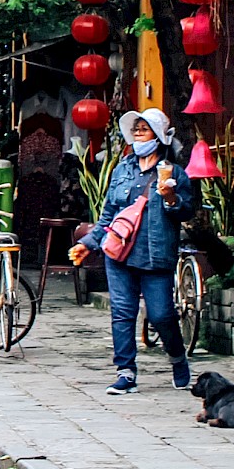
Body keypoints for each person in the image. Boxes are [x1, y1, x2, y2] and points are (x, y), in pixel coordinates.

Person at [74, 109, 196, 395]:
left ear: (159, 135)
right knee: (122, 313)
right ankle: (125, 372)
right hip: (119, 254)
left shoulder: (173, 173)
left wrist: (171, 198)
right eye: (137, 129)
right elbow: (108, 215)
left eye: (145, 129)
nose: (139, 133)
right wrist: (88, 243)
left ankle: (178, 358)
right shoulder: (121, 169)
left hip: (155, 255)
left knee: (162, 314)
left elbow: (186, 210)